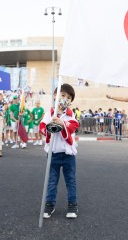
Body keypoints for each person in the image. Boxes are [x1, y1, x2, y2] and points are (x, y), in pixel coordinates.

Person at [39, 83, 79, 219]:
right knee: (51, 180)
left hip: (68, 155)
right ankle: (50, 204)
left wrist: (62, 123)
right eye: (62, 95)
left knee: (71, 180)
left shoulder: (70, 114)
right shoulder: (49, 113)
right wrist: (50, 125)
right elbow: (42, 128)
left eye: (68, 98)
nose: (65, 99)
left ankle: (72, 205)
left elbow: (74, 126)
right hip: (53, 153)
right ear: (55, 96)